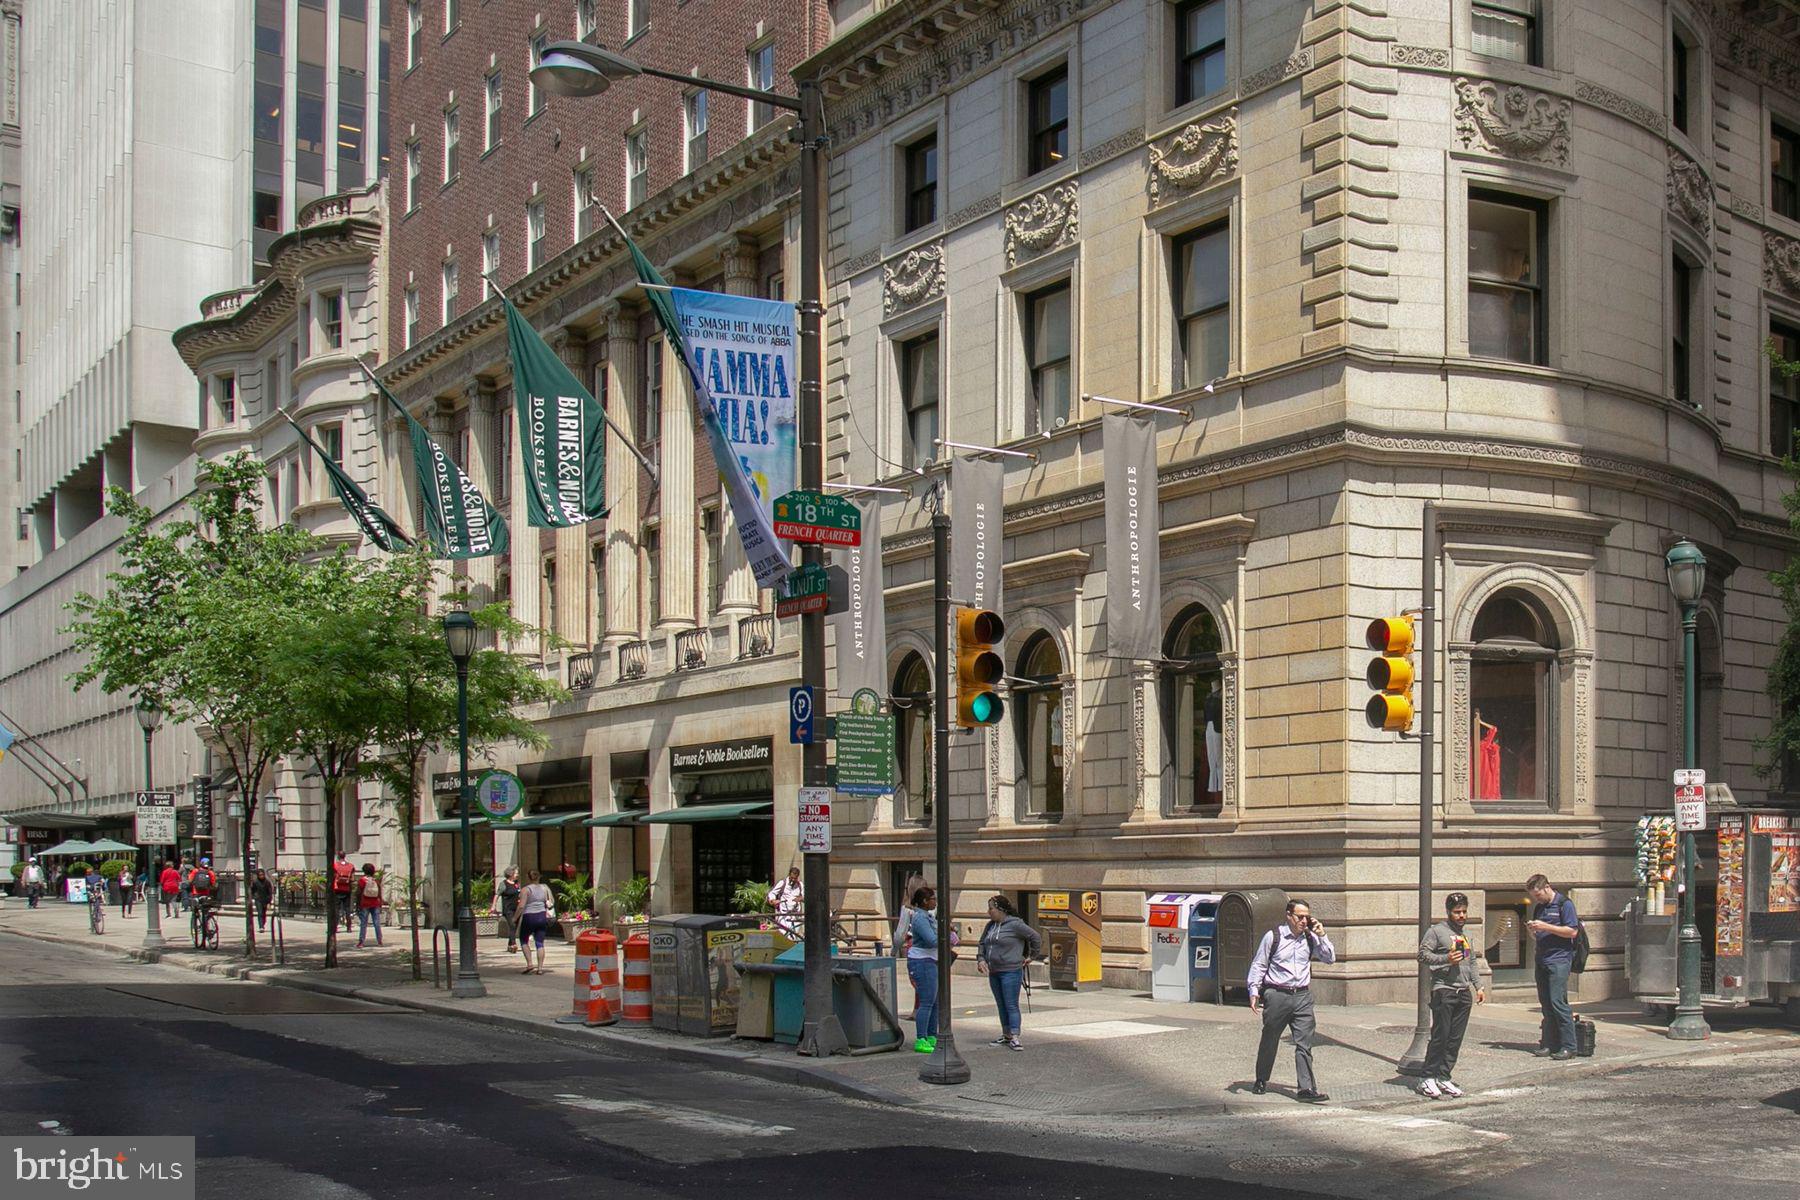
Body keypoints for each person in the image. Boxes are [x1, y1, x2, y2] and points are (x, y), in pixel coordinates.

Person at [1246, 898, 1336, 1103]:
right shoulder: (1273, 937)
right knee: (1270, 1038)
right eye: (1300, 917)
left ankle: (1305, 1088)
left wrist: (1323, 935)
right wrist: (1254, 991)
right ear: (1289, 916)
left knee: (1304, 1042)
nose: (1304, 921)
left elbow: (1330, 958)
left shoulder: (1311, 938)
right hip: (1277, 994)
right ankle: (1261, 1079)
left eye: (1307, 917)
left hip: (1302, 995)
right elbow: (1259, 964)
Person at [1416, 892, 1490, 1099]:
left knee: (1455, 1038)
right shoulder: (1436, 932)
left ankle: (1444, 1075)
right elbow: (1422, 955)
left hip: (1463, 992)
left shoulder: (1466, 935)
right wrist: (1446, 958)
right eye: (1457, 912)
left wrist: (1479, 987)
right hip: (1444, 989)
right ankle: (1427, 1076)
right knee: (1441, 1035)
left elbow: (1472, 962)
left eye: (1464, 911)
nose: (1461, 915)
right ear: (1449, 912)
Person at [976, 895, 1043, 1051]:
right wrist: (981, 959)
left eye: (991, 908)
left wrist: (1031, 956)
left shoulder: (1015, 925)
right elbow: (982, 943)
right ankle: (1006, 1034)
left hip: (1010, 971)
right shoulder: (990, 926)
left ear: (1001, 909)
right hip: (994, 971)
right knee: (1001, 1004)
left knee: (1011, 1004)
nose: (989, 912)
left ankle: (1014, 1035)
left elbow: (1035, 937)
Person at [1526, 873, 1581, 1060]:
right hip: (1542, 958)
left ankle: (1569, 1046)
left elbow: (1572, 931)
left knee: (1558, 1002)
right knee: (1546, 1004)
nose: (1537, 899)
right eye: (1534, 896)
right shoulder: (1540, 908)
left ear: (1547, 887)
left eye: (1538, 895)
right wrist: (1534, 929)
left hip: (1559, 960)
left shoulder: (1564, 904)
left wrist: (1545, 927)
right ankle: (1549, 1043)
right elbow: (1538, 934)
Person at [906, 886, 940, 1054]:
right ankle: (921, 1038)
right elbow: (932, 940)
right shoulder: (920, 918)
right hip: (922, 961)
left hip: (931, 960)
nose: (935, 901)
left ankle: (932, 1035)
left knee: (935, 1001)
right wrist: (946, 936)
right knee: (927, 1001)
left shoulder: (928, 916)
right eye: (933, 898)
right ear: (925, 901)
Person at [892, 872, 927, 1019]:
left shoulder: (907, 909)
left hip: (914, 948)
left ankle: (921, 1010)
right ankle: (918, 1009)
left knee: (917, 981)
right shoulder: (931, 909)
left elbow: (900, 935)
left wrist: (893, 951)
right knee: (927, 980)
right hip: (930, 948)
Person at [517, 869, 555, 975]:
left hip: (529, 917)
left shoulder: (526, 890)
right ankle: (540, 968)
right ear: (539, 877)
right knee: (540, 943)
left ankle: (529, 964)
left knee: (524, 940)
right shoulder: (545, 888)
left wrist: (515, 918)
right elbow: (551, 901)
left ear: (528, 878)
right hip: (541, 916)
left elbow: (521, 906)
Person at [491, 865, 523, 954]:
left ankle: (509, 945)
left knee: (515, 927)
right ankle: (513, 944)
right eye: (516, 873)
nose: (517, 875)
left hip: (517, 909)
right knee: (512, 925)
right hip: (508, 909)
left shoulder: (517, 883)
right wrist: (493, 906)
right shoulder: (504, 884)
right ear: (511, 873)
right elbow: (497, 895)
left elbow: (519, 894)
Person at [768, 866, 804, 938]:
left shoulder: (800, 885)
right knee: (784, 934)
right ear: (789, 875)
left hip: (795, 915)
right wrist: (773, 900)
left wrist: (800, 898)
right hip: (784, 914)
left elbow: (805, 896)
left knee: (793, 936)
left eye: (795, 878)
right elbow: (772, 893)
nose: (793, 880)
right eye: (792, 878)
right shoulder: (782, 883)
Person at [355, 863, 384, 948]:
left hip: (365, 903)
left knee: (363, 923)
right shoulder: (376, 881)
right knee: (377, 923)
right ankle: (379, 941)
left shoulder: (362, 881)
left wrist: (357, 904)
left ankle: (361, 942)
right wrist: (380, 903)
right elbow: (379, 893)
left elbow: (359, 893)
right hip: (375, 903)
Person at [330, 852, 356, 932]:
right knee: (347, 909)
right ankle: (349, 927)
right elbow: (352, 879)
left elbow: (332, 876)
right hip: (347, 889)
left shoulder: (335, 865)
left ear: (338, 856)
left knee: (336, 909)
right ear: (345, 856)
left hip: (337, 889)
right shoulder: (351, 866)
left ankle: (335, 927)